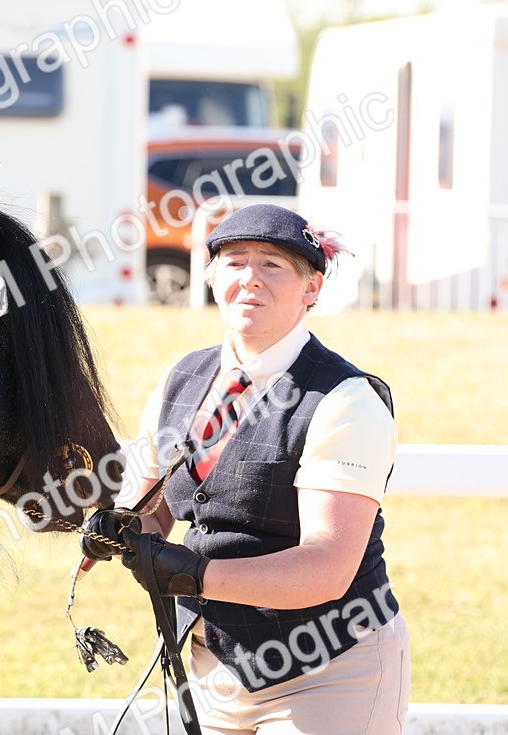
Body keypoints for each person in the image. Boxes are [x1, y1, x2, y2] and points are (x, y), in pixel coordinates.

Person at [81, 203, 410, 734]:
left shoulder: (346, 400)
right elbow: (152, 507)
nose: (250, 279)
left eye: (273, 265)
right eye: (234, 262)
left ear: (312, 288)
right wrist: (119, 529)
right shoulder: (181, 378)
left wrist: (196, 575)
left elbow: (327, 566)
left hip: (329, 669)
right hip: (214, 668)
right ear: (212, 278)